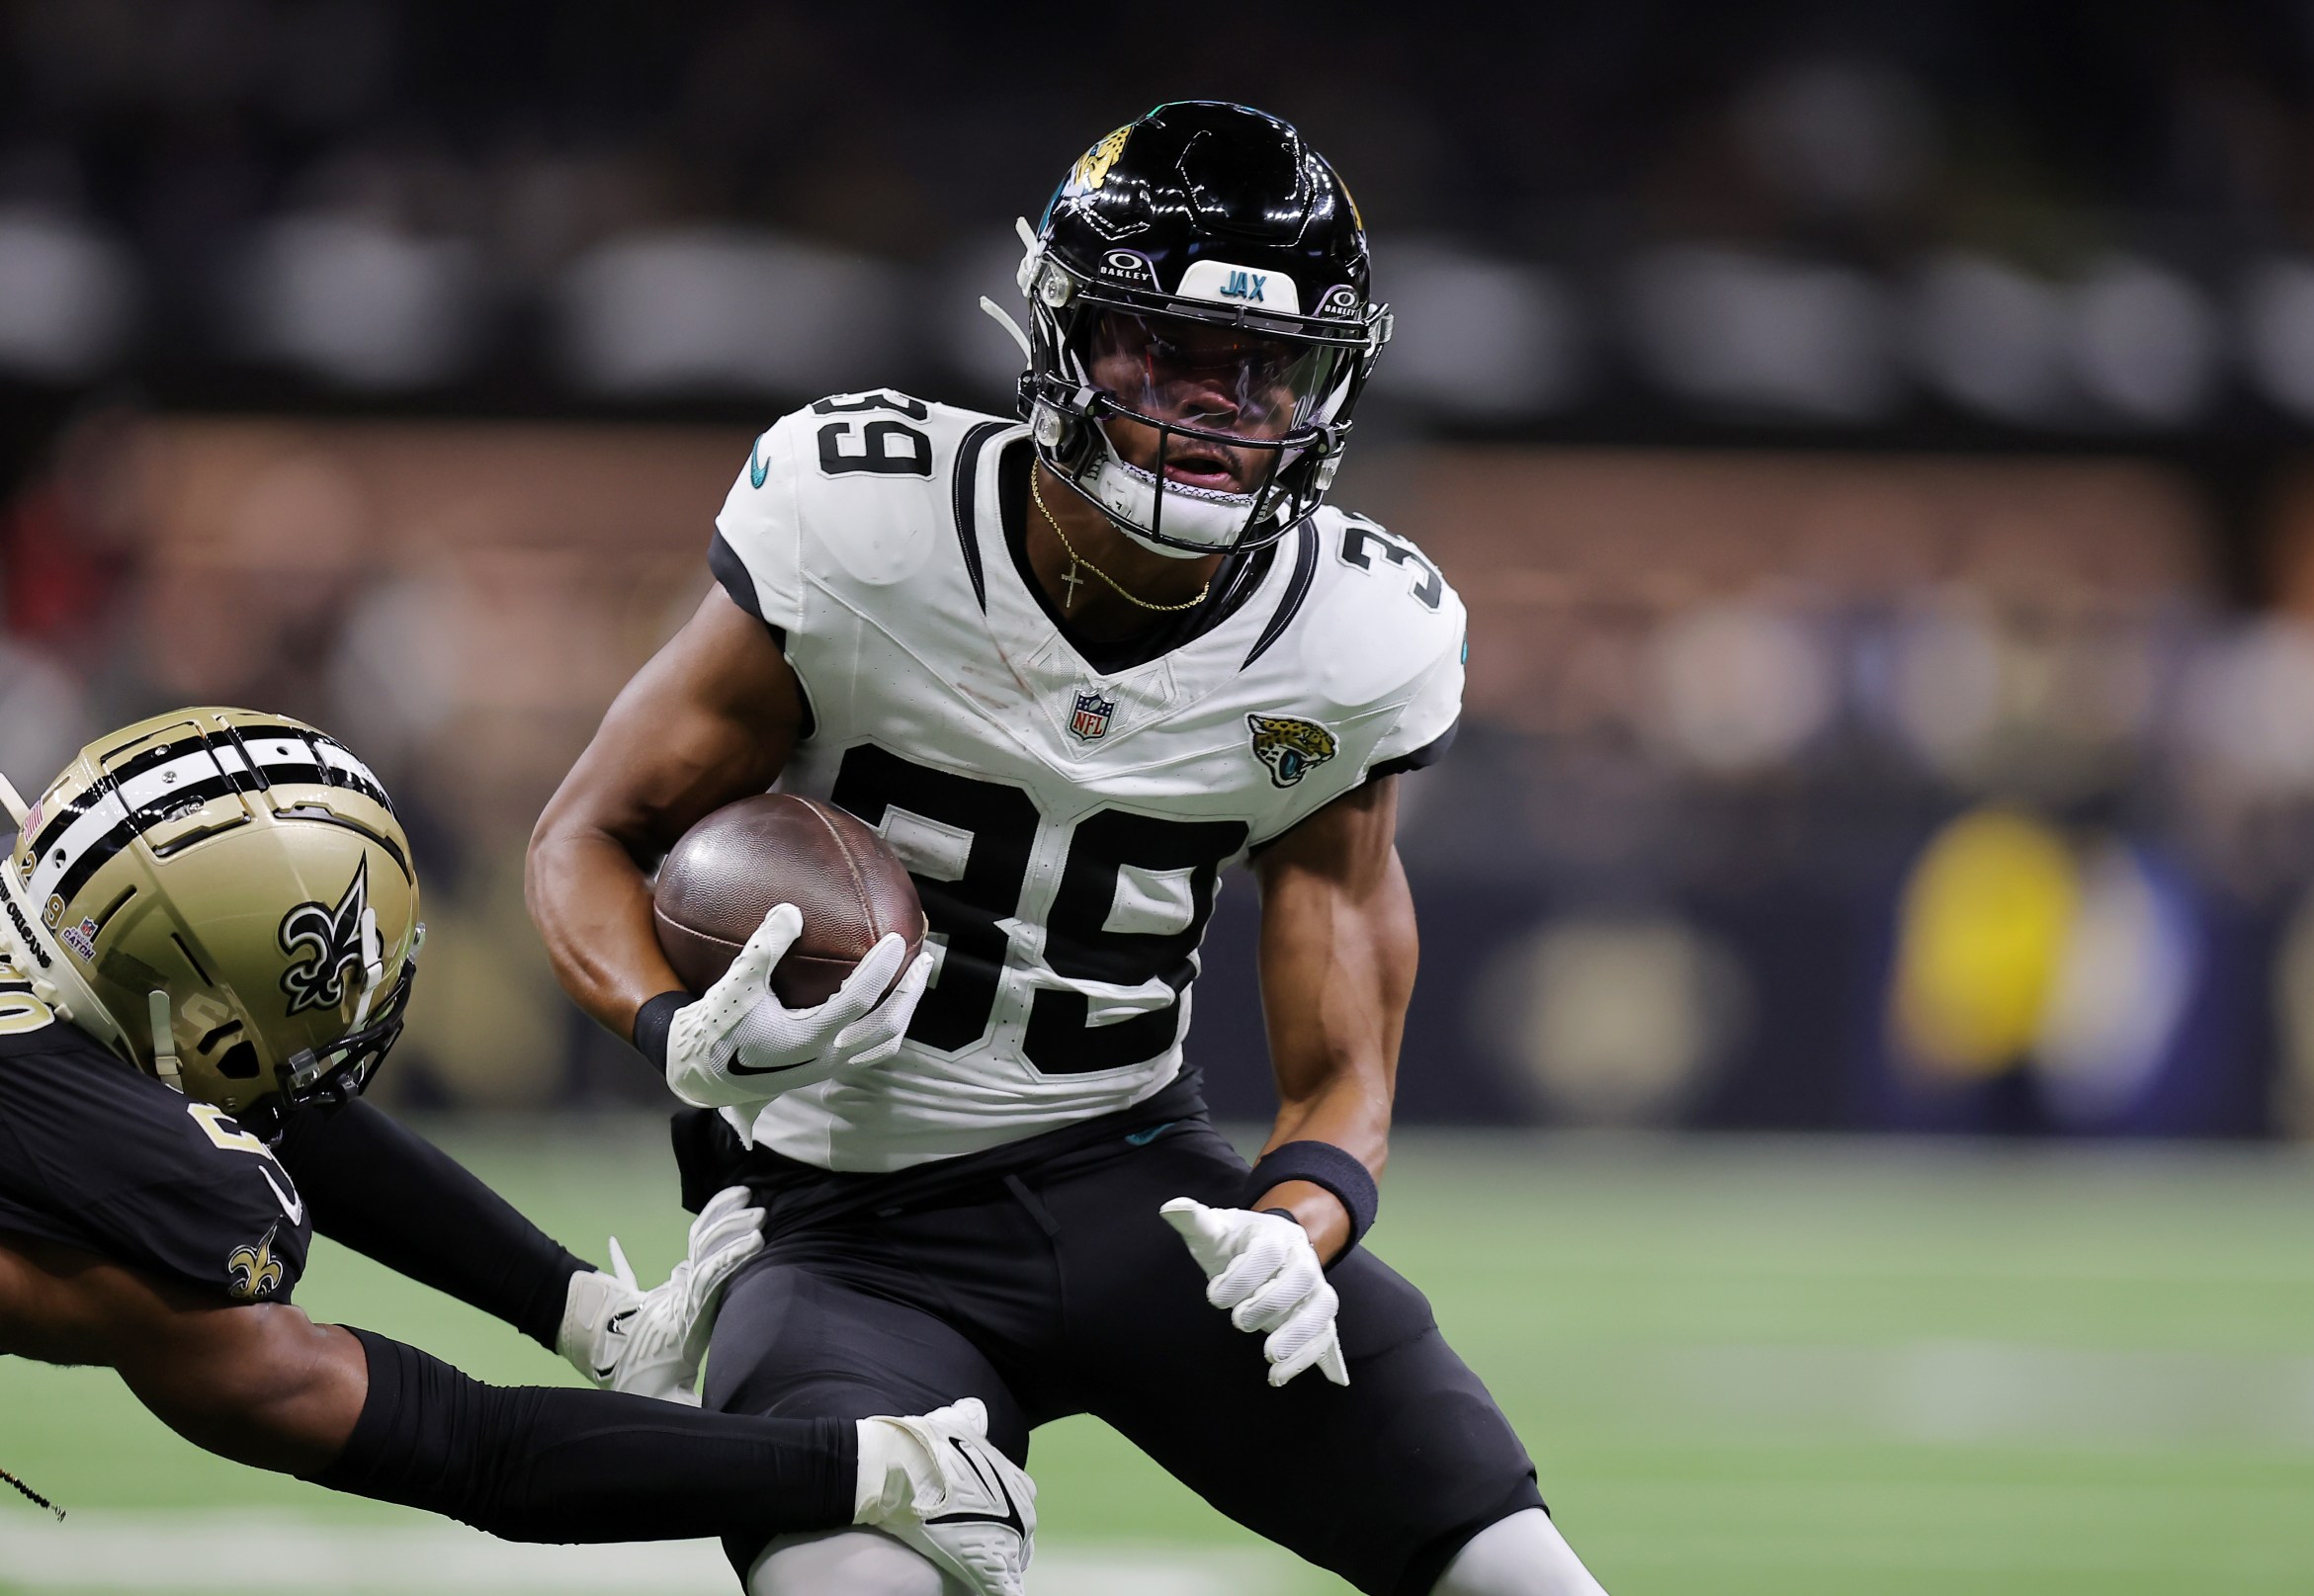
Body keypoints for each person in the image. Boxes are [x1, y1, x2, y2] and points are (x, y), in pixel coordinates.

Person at [527, 102, 1608, 1596]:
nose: (1218, 407)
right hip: (851, 1225)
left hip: (1145, 1187)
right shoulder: (864, 520)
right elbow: (586, 832)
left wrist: (1297, 1229)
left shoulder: (1357, 636)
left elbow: (1344, 1063)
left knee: (1524, 1578)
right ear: (1060, 335)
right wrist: (672, 1023)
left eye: (1266, 371)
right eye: (1165, 351)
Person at [0, 708, 1033, 1596]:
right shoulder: (161, 1199)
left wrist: (586, 1315)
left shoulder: (56, 962)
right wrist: (867, 1468)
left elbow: (251, 1092)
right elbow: (468, 1451)